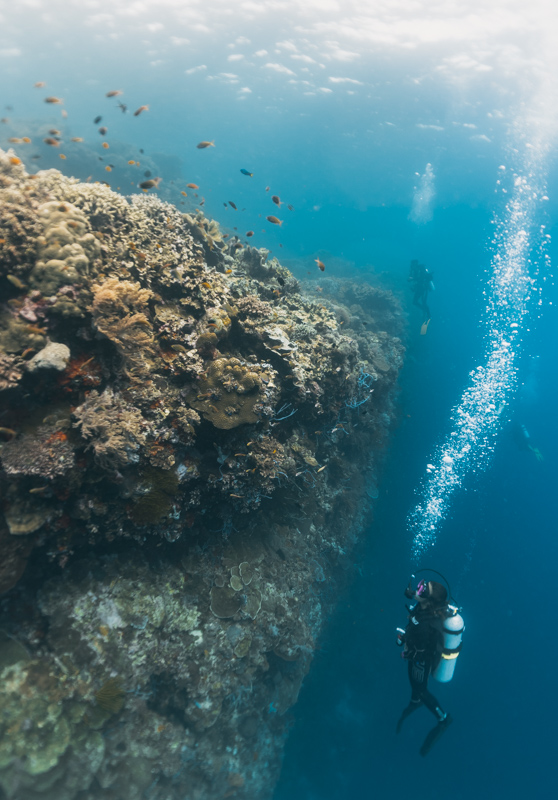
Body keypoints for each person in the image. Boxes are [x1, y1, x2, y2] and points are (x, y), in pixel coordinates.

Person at [396, 577, 453, 756]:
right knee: (414, 686)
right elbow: (417, 602)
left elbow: (424, 653)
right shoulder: (425, 607)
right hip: (415, 654)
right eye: (421, 587)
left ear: (429, 601)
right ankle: (415, 701)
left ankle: (443, 718)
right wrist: (410, 594)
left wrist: (406, 651)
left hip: (421, 663)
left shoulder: (429, 624)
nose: (418, 590)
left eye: (423, 590)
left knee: (420, 689)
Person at [408, 259, 434, 333]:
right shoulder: (412, 270)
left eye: (414, 264)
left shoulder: (421, 269)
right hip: (418, 289)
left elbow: (422, 278)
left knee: (424, 302)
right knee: (415, 302)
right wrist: (410, 279)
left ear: (416, 264)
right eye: (412, 264)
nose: (412, 266)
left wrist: (413, 278)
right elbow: (409, 278)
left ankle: (429, 316)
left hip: (423, 288)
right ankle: (424, 311)